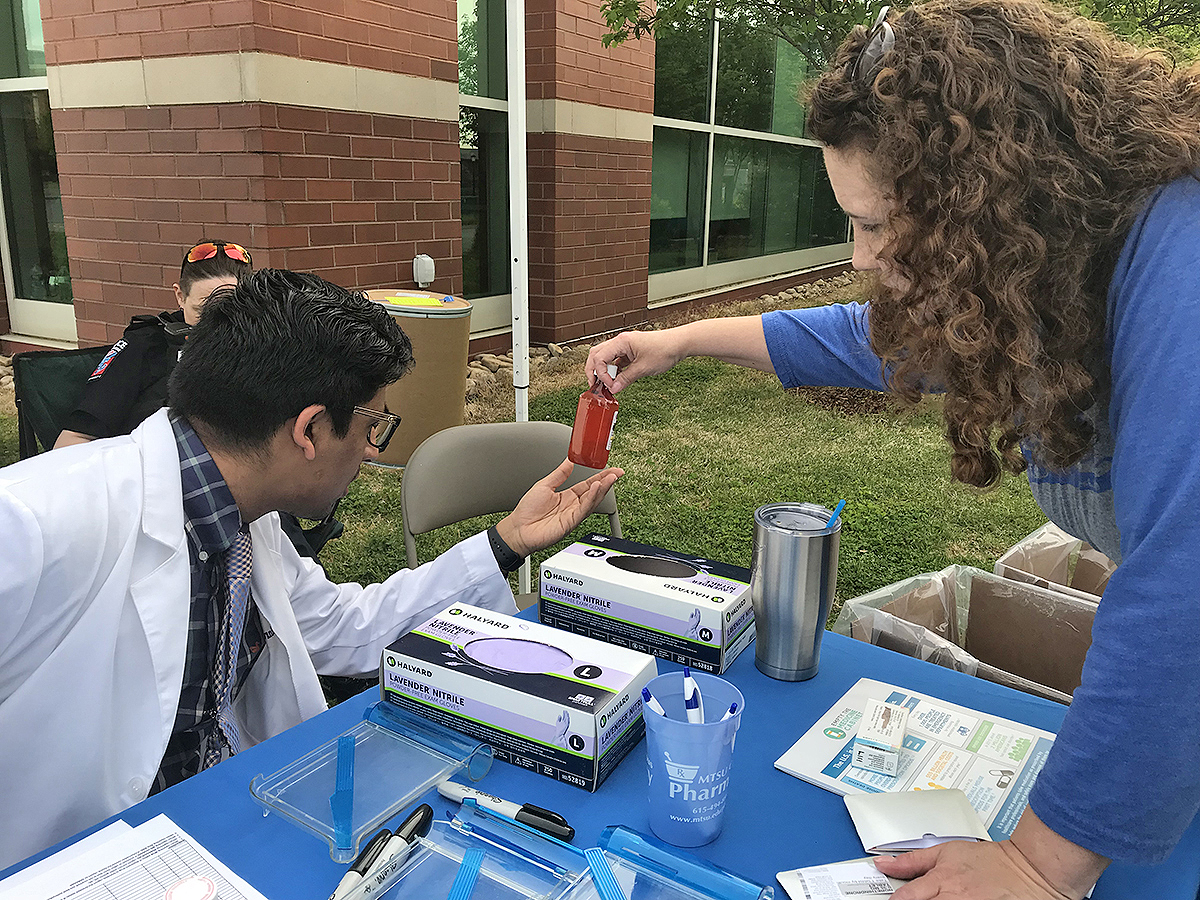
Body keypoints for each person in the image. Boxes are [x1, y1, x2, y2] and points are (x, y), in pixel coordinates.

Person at [586, 1, 1200, 896]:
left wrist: (1039, 865)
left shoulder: (1179, 265)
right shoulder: (1049, 260)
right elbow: (875, 337)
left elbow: (1183, 588)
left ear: (981, 201)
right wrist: (685, 339)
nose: (862, 256)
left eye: (875, 224)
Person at [0, 269, 622, 870]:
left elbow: (346, 627)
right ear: (310, 430)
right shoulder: (32, 521)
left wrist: (507, 542)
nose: (371, 450)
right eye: (374, 424)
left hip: (231, 818)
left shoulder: (244, 513)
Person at [54, 239, 253, 449]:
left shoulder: (268, 346)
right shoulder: (147, 346)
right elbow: (72, 441)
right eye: (202, 311)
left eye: (230, 311)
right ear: (180, 297)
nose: (215, 325)